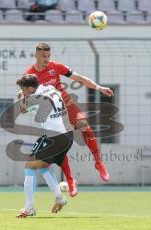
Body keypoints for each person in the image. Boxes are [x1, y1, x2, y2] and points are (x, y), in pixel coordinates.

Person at [23, 42, 114, 193]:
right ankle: (70, 179)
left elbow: (80, 78)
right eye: (43, 56)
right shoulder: (30, 75)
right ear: (36, 56)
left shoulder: (55, 66)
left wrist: (99, 88)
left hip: (66, 101)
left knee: (84, 124)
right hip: (51, 111)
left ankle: (98, 163)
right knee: (62, 143)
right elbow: (25, 93)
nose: (47, 59)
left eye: (48, 56)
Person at [16, 74, 74, 217]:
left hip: (56, 137)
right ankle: (59, 197)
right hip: (68, 135)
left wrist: (20, 98)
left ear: (30, 88)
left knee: (29, 166)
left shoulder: (33, 98)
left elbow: (22, 109)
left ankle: (29, 208)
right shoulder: (50, 88)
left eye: (23, 89)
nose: (23, 92)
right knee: (42, 166)